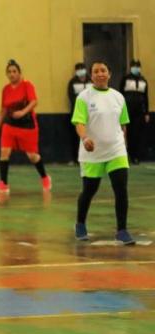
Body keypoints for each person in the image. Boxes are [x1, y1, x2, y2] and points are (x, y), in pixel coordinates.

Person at [72, 61, 135, 245]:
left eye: (103, 70)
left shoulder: (118, 97)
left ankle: (122, 230)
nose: (100, 74)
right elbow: (79, 123)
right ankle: (80, 223)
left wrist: (124, 146)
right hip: (92, 153)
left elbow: (123, 125)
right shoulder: (84, 97)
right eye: (96, 71)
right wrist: (85, 139)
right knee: (89, 190)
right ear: (91, 76)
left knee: (121, 189)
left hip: (116, 150)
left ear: (109, 74)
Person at [0, 59, 51, 193]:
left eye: (14, 71)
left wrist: (23, 112)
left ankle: (45, 177)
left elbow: (34, 101)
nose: (12, 74)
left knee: (32, 156)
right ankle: (3, 183)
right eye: (9, 72)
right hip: (10, 124)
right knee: (4, 152)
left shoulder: (27, 85)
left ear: (19, 73)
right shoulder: (6, 89)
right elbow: (3, 110)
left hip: (27, 125)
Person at [119, 59, 149, 164]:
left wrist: (146, 113)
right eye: (134, 66)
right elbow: (120, 94)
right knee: (129, 133)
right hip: (127, 109)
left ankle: (136, 156)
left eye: (137, 66)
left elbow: (146, 97)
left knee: (137, 133)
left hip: (139, 111)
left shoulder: (143, 80)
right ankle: (129, 154)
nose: (136, 68)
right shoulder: (125, 79)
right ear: (131, 67)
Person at [67, 63, 91, 164]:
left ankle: (90, 156)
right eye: (78, 69)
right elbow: (70, 96)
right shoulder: (72, 82)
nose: (81, 71)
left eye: (82, 68)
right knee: (76, 136)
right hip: (77, 112)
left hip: (90, 112)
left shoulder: (91, 81)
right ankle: (76, 158)